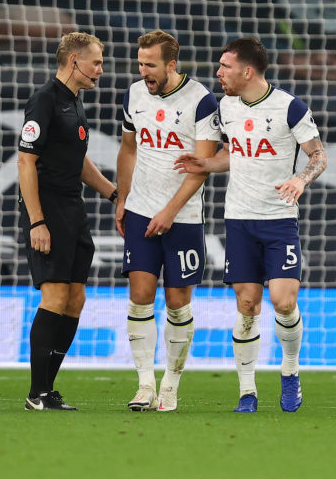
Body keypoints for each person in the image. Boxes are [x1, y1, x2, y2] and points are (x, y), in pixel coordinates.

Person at [174, 36, 326, 413]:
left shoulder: (290, 107)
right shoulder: (225, 107)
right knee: (247, 304)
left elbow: (319, 155)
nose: (218, 72)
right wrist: (207, 164)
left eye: (225, 66)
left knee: (284, 302)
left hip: (278, 221)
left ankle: (290, 373)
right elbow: (234, 153)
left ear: (247, 70)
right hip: (239, 219)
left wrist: (301, 179)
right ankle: (247, 391)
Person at [114, 30, 220, 411]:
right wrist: (122, 198)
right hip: (142, 210)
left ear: (171, 64)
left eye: (151, 65)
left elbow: (202, 166)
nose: (144, 71)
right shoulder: (134, 94)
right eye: (140, 63)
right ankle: (144, 386)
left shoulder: (202, 100)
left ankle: (171, 386)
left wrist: (170, 211)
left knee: (177, 303)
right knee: (140, 297)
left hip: (184, 218)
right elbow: (128, 148)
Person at [17, 31, 117, 410]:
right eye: (96, 62)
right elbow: (26, 160)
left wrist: (112, 192)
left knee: (75, 298)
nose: (101, 70)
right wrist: (36, 221)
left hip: (74, 209)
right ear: (73, 61)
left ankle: (48, 389)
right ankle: (36, 393)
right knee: (56, 296)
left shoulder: (75, 103)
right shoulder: (44, 100)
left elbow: (79, 161)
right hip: (48, 210)